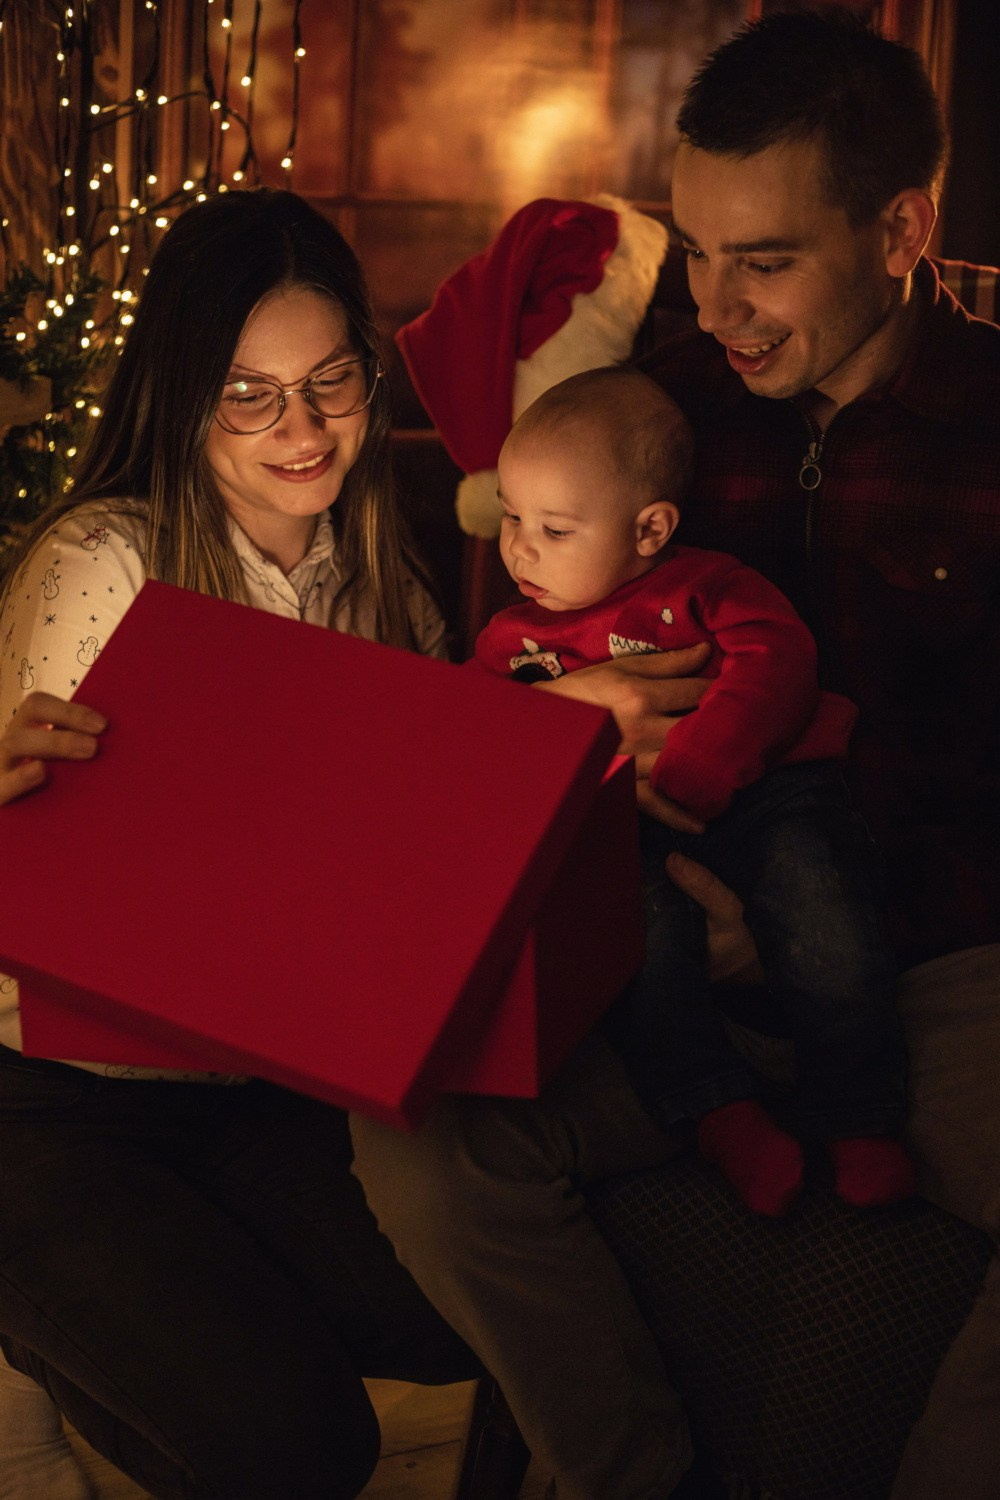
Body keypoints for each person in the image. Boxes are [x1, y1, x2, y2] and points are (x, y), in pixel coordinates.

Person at [349, 9, 1000, 1500]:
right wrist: (558, 741)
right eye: (697, 251)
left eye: (766, 259)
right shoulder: (654, 422)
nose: (721, 305)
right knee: (424, 1146)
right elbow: (499, 693)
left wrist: (817, 922)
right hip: (655, 959)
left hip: (944, 974)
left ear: (901, 230)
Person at [0, 186, 479, 1500]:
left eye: (329, 382)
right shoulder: (107, 563)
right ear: (183, 392)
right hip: (48, 1099)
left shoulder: (389, 589)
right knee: (305, 1444)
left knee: (482, 1318)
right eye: (249, 394)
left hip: (259, 1093)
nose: (304, 428)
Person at [474, 363, 914, 1218]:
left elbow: (777, 660)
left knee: (824, 911)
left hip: (769, 793)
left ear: (649, 529)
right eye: (510, 516)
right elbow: (468, 734)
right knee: (636, 953)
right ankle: (720, 1114)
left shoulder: (702, 586)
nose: (521, 549)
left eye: (555, 529)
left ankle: (859, 1118)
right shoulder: (512, 637)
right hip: (625, 824)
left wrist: (706, 764)